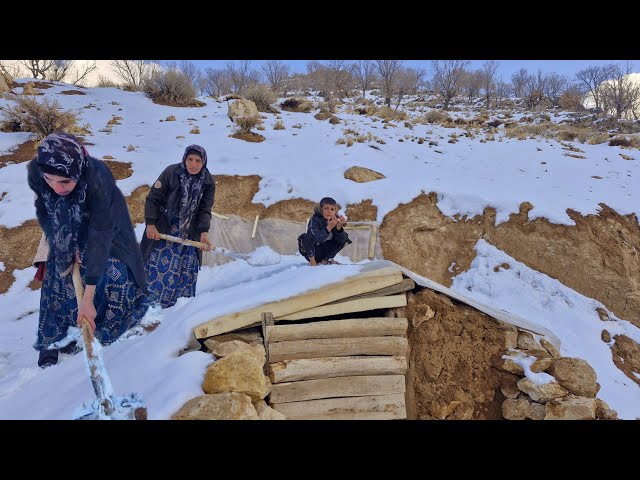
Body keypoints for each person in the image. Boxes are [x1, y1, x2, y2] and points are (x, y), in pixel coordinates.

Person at [27, 132, 150, 368]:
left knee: (111, 278)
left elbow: (100, 234)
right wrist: (63, 243)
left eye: (65, 181)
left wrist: (89, 297)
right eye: (49, 179)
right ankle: (52, 343)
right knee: (56, 285)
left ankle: (105, 338)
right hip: (61, 229)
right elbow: (44, 209)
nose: (56, 187)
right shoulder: (37, 171)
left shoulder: (99, 182)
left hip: (105, 232)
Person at [140, 144, 215, 308]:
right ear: (184, 159)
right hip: (165, 228)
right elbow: (153, 199)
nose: (193, 164)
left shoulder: (208, 182)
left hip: (190, 232)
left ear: (204, 162)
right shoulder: (171, 173)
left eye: (198, 160)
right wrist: (151, 224)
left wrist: (203, 232)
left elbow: (204, 209)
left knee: (185, 270)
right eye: (190, 159)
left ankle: (178, 310)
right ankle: (149, 307)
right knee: (156, 266)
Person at [298, 196, 351, 266]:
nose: (329, 211)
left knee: (344, 236)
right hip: (314, 251)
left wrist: (339, 226)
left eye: (332, 209)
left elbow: (340, 239)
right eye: (326, 208)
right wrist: (329, 227)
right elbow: (316, 238)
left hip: (326, 251)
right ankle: (313, 262)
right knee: (305, 237)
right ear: (321, 210)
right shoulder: (315, 219)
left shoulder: (335, 219)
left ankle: (326, 259)